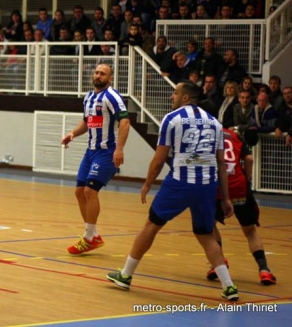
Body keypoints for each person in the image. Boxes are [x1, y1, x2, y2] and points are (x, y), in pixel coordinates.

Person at [106, 82, 239, 301]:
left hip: (180, 182)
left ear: (185, 97)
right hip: (207, 184)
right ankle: (229, 286)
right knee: (206, 235)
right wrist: (225, 198)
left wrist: (148, 183)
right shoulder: (215, 123)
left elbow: (159, 158)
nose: (172, 96)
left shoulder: (172, 119)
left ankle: (126, 275)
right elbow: (221, 164)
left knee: (151, 225)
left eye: (175, 93)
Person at [61, 64, 131, 255]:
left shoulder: (112, 96)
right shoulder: (89, 97)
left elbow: (125, 122)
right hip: (90, 151)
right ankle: (94, 236)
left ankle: (88, 237)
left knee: (90, 191)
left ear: (110, 79)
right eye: (97, 72)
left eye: (103, 74)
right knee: (78, 192)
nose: (98, 75)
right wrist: (72, 134)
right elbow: (87, 122)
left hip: (106, 151)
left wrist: (119, 149)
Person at [207, 127, 276, 286]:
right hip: (239, 186)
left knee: (210, 226)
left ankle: (218, 263)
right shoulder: (234, 136)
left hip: (218, 188)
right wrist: (247, 177)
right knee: (250, 230)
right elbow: (250, 159)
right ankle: (264, 270)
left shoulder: (208, 135)